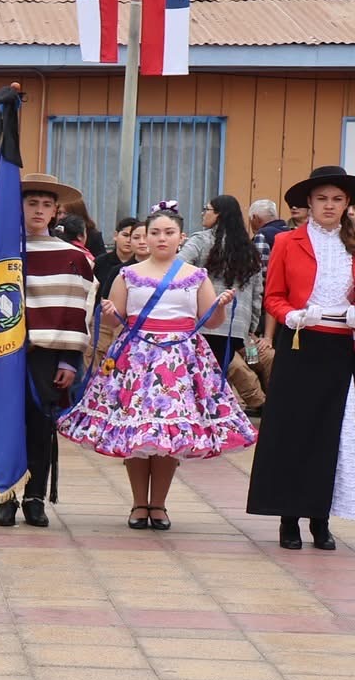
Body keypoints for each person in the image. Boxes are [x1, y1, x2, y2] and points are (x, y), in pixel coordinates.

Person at [59, 203, 254, 529]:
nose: (161, 238)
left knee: (168, 434)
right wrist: (108, 311)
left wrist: (221, 306)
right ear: (144, 237)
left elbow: (211, 320)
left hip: (180, 362)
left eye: (169, 233)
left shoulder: (195, 276)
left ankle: (159, 504)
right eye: (155, 233)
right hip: (136, 360)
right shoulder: (127, 275)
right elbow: (119, 321)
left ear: (181, 237)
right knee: (138, 434)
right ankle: (139, 503)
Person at [247, 166, 355, 550]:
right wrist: (291, 314)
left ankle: (320, 520)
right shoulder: (288, 242)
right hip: (300, 342)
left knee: (330, 434)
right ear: (308, 203)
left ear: (346, 204)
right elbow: (273, 295)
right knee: (293, 430)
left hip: (342, 348)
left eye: (337, 199)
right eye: (322, 198)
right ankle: (288, 519)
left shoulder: (354, 243)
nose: (329, 206)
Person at [0, 172, 95, 527]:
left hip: (49, 353)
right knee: (3, 425)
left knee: (39, 427)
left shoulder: (72, 257)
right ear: (17, 208)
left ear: (56, 212)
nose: (38, 211)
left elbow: (77, 311)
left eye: (46, 205)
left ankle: (35, 497)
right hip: (2, 354)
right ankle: (3, 494)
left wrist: (70, 359)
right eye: (31, 203)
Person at [182, 193, 267, 412]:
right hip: (235, 326)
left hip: (202, 319)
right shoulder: (250, 250)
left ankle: (199, 416)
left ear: (218, 214)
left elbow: (178, 268)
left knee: (195, 374)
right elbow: (257, 294)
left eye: (207, 209)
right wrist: (250, 327)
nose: (203, 213)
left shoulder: (201, 240)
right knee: (218, 372)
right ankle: (214, 415)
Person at [94, 215, 139, 300]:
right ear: (115, 235)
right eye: (125, 235)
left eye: (134, 237)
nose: (129, 240)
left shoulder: (142, 264)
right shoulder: (100, 262)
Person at [250, 197, 290, 271]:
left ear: (255, 218)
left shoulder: (262, 235)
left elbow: (260, 270)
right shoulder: (290, 232)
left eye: (251, 220)